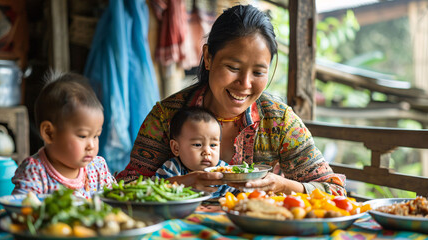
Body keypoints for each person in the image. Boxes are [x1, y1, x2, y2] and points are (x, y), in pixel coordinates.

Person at [117, 4, 346, 196]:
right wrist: (181, 183)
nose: (245, 84)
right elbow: (124, 189)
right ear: (208, 57)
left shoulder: (279, 121)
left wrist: (284, 186)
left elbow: (334, 190)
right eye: (233, 68)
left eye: (258, 72)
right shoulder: (166, 116)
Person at [12, 71, 116, 199]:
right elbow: (22, 211)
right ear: (49, 133)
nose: (91, 145)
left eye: (96, 136)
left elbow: (114, 204)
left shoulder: (98, 169)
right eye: (83, 136)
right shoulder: (35, 172)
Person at [155, 107, 238, 198]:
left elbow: (239, 193)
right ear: (176, 148)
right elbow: (153, 189)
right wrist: (180, 182)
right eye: (197, 145)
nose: (207, 152)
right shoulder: (172, 168)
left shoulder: (222, 171)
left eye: (213, 145)